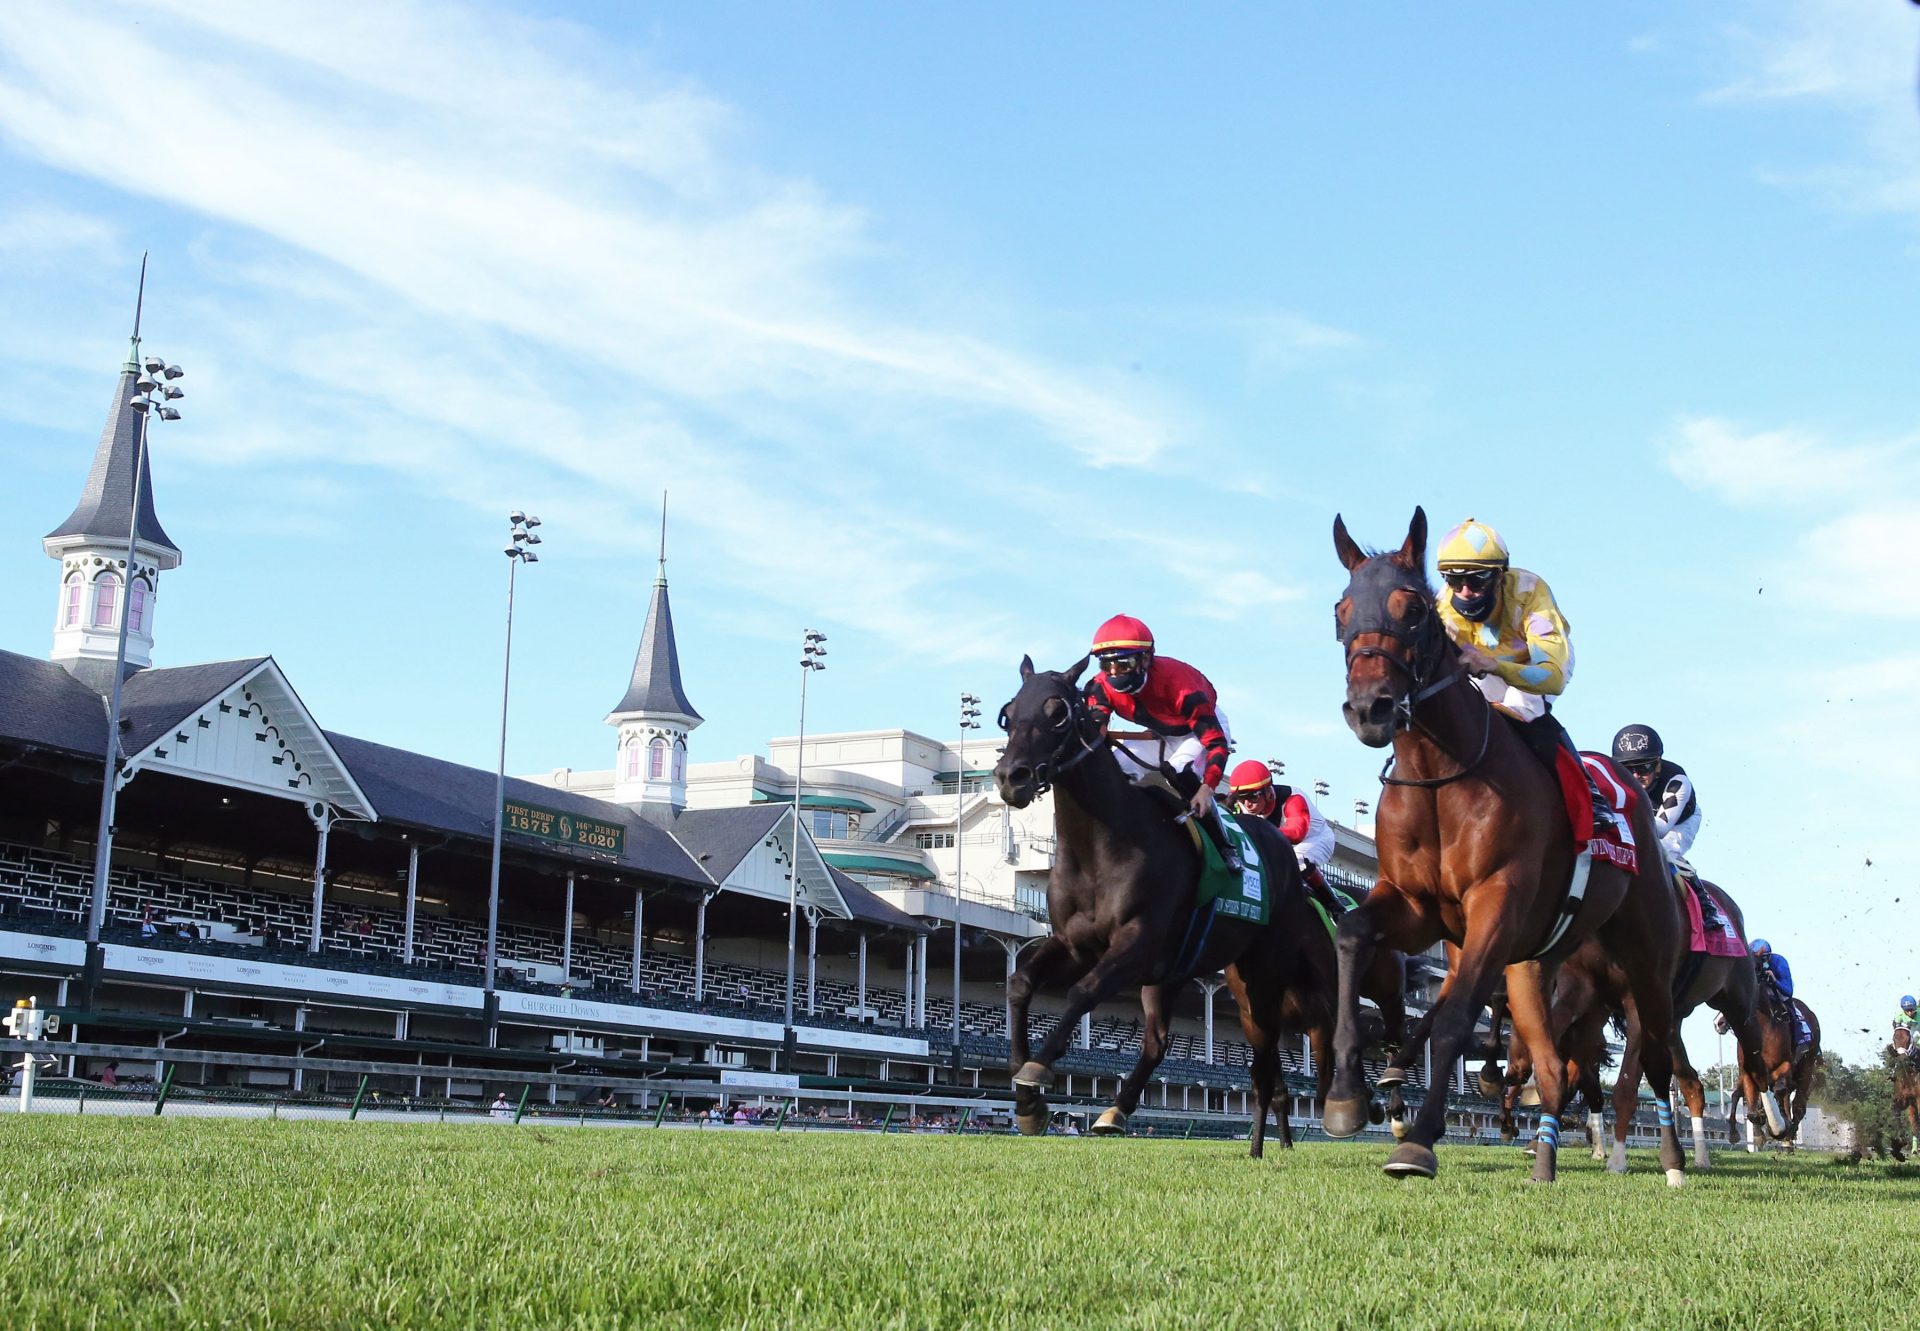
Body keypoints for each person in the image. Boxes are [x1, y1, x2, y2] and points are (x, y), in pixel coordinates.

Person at [1082, 614, 1239, 870]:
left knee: (1178, 771)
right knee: (1114, 771)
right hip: (1160, 731)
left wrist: (1206, 789)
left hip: (1198, 730)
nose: (1113, 673)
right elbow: (1096, 734)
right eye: (1106, 665)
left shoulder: (1183, 689)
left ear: (1145, 659)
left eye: (1123, 664)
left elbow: (1216, 744)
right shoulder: (1099, 686)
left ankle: (1224, 845)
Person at [1433, 518, 1580, 776]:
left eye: (1478, 580)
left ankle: (1590, 789)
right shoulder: (1441, 610)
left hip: (1537, 664)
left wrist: (1496, 666)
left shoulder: (1530, 590)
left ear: (1501, 574)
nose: (1465, 591)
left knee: (1519, 707)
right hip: (1485, 669)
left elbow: (1553, 678)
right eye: (1454, 581)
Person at [1226, 759, 1347, 919]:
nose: (1247, 804)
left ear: (1268, 792)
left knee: (1298, 860)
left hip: (1314, 839)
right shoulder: (1239, 804)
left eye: (1253, 796)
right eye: (1241, 798)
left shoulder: (1293, 799)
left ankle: (1336, 907)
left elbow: (1297, 832)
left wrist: (1262, 833)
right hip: (1277, 842)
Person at [1610, 724, 1701, 866]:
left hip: (1676, 825)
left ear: (1657, 764)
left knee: (1659, 857)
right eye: (1627, 769)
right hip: (1642, 819)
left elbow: (1660, 829)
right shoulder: (1613, 777)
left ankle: (1689, 879)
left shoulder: (1678, 782)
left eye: (1643, 768)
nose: (1635, 776)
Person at [1750, 938, 1793, 1020]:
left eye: (1759, 959)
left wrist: (1775, 981)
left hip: (1778, 991)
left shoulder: (1780, 962)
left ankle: (1800, 1028)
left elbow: (1788, 992)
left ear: (1768, 956)